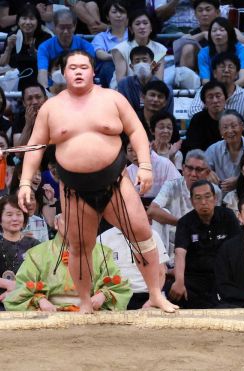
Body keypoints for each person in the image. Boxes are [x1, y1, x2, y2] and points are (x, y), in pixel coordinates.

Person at [18, 50, 177, 314]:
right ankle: (84, 303)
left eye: (84, 67)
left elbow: (136, 130)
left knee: (142, 235)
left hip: (115, 182)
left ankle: (155, 295)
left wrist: (145, 165)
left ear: (93, 72)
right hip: (74, 189)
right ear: (64, 73)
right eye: (72, 68)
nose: (78, 72)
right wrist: (25, 182)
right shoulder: (51, 108)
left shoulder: (112, 99)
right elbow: (35, 147)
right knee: (80, 247)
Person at [4, 213, 132, 312]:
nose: (72, 225)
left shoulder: (102, 252)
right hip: (49, 313)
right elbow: (21, 286)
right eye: (67, 220)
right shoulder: (37, 253)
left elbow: (119, 285)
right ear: (56, 223)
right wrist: (40, 300)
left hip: (91, 312)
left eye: (77, 221)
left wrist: (103, 296)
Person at [169, 180, 240, 308]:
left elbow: (238, 249)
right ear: (191, 201)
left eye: (207, 196)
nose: (203, 202)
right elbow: (180, 253)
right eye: (198, 198)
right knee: (172, 291)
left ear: (215, 198)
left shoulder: (228, 216)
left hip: (224, 277)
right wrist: (179, 281)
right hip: (195, 279)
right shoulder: (185, 222)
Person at [148, 150, 222, 266]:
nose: (193, 174)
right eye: (189, 168)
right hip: (173, 239)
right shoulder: (171, 186)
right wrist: (183, 224)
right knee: (160, 214)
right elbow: (152, 210)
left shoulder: (215, 191)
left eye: (198, 170)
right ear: (183, 169)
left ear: (207, 173)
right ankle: (160, 265)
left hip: (201, 239)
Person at [188, 52, 244, 138]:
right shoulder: (205, 90)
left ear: (236, 74)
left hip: (234, 141)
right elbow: (193, 112)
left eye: (230, 67)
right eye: (222, 67)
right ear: (215, 73)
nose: (226, 70)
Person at [98, 226, 169, 310]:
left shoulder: (151, 234)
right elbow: (97, 274)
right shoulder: (102, 238)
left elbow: (161, 271)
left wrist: (153, 299)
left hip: (147, 296)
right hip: (114, 298)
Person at [37, 8, 95, 89]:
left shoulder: (87, 47)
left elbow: (88, 73)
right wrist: (46, 92)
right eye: (62, 27)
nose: (65, 31)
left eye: (69, 27)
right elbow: (42, 72)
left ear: (74, 26)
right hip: (53, 89)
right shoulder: (44, 47)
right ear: (54, 27)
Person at [205, 109, 244, 194]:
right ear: (220, 131)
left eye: (233, 126)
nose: (230, 131)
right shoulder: (213, 149)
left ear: (242, 126)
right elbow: (201, 168)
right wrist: (207, 172)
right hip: (220, 200)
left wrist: (240, 181)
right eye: (225, 127)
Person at [0, 195, 40, 309]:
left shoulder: (34, 245)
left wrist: (16, 290)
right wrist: (7, 284)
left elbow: (41, 278)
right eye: (9, 214)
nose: (15, 218)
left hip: (26, 302)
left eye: (19, 214)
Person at [0, 4, 52, 90]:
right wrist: (8, 48)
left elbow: (51, 63)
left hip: (39, 80)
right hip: (14, 82)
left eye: (32, 19)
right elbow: (2, 64)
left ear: (38, 21)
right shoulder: (12, 37)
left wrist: (36, 54)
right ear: (18, 21)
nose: (28, 22)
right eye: (24, 18)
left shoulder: (45, 38)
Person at [111, 9, 166, 85]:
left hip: (150, 90)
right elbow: (121, 81)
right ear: (131, 29)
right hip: (125, 90)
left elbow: (158, 79)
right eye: (137, 24)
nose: (142, 27)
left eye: (145, 23)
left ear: (151, 28)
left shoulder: (160, 49)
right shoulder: (120, 49)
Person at [117, 46, 173, 119]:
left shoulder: (166, 89)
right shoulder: (124, 84)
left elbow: (168, 116)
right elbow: (123, 111)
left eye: (145, 60)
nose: (141, 64)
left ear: (153, 65)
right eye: (137, 61)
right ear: (131, 67)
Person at [198, 17, 244, 87]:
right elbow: (205, 81)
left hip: (237, 87)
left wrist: (227, 90)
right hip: (214, 90)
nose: (217, 33)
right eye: (214, 30)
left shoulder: (241, 49)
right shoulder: (203, 53)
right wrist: (218, 91)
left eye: (222, 30)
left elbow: (243, 79)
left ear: (229, 33)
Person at [91, 0, 129, 88]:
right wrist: (117, 57)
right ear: (108, 17)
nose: (118, 15)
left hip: (130, 67)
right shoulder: (101, 37)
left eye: (122, 12)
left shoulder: (133, 35)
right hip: (109, 70)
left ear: (127, 16)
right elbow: (99, 53)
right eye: (114, 12)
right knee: (108, 65)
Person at [183, 80, 226, 153]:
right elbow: (193, 148)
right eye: (210, 97)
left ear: (226, 98)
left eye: (218, 96)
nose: (215, 100)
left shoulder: (234, 118)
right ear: (204, 102)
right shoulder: (197, 120)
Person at [12, 83, 48, 147]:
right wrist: (28, 125)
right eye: (29, 98)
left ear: (46, 99)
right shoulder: (19, 119)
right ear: (24, 103)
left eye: (38, 97)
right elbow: (19, 153)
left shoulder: (56, 114)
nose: (34, 102)